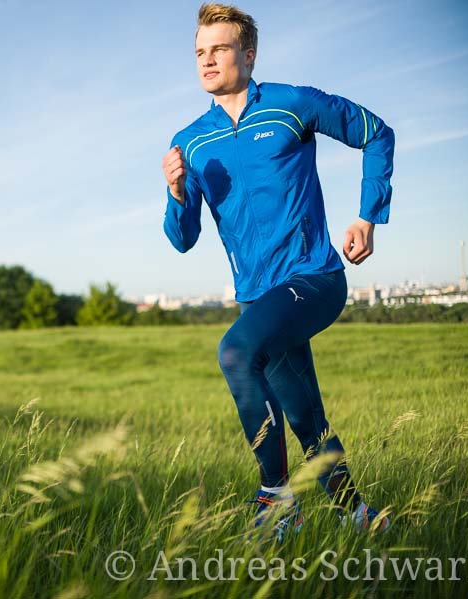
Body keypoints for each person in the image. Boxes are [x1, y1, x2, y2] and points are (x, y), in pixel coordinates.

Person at [161, 3, 394, 542]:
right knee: (305, 417)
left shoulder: (292, 104)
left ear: (248, 53)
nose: (207, 60)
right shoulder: (192, 140)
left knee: (236, 353)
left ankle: (276, 498)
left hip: (313, 278)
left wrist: (367, 216)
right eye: (199, 52)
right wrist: (176, 193)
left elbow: (376, 133)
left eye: (218, 49)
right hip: (257, 296)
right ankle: (360, 517)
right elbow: (183, 238)